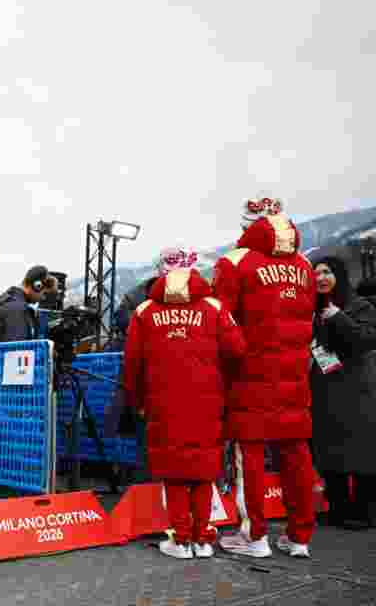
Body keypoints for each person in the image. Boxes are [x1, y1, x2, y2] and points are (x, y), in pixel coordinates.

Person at [124, 248, 246, 559]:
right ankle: (203, 540)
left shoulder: (144, 311)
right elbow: (237, 350)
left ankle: (180, 540)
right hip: (207, 402)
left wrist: (137, 401)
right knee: (204, 471)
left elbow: (132, 365)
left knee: (175, 472)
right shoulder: (214, 307)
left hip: (162, 403)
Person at [212, 197, 317, 559]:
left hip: (250, 376)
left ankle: (254, 537)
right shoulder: (304, 264)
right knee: (296, 454)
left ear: (247, 226)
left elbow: (222, 324)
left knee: (250, 456)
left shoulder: (234, 262)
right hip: (294, 375)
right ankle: (300, 537)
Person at [310, 256, 376, 528]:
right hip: (325, 388)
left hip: (357, 387)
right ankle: (338, 508)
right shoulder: (312, 309)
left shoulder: (360, 306)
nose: (321, 278)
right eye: (316, 274)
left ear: (339, 274)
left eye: (326, 272)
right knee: (328, 452)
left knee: (362, 451)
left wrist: (339, 318)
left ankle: (364, 512)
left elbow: (364, 340)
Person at [0, 265, 58, 343]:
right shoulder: (16, 310)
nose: (43, 298)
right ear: (37, 286)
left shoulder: (9, 304)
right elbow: (18, 350)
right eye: (44, 293)